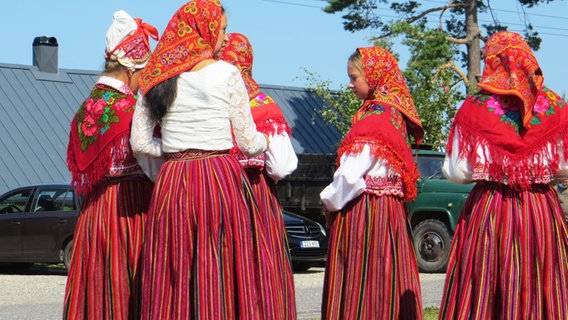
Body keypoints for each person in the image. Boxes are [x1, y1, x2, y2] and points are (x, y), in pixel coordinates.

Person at [130, 1, 269, 319]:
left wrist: (172, 153)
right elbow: (248, 143)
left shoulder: (156, 76)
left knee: (173, 266)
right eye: (221, 29)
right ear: (204, 31)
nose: (224, 37)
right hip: (218, 178)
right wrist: (266, 141)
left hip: (173, 180)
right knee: (218, 263)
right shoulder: (227, 73)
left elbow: (139, 142)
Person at [439, 31, 568, 319]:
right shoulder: (556, 106)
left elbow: (457, 171)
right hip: (539, 210)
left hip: (490, 210)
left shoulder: (474, 107)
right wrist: (535, 168)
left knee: (484, 284)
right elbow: (564, 166)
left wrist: (495, 167)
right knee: (541, 281)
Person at [64, 10, 158, 319]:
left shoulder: (85, 108)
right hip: (130, 212)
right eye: (144, 72)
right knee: (127, 284)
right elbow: (151, 166)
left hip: (94, 215)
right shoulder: (131, 109)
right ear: (131, 67)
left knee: (97, 289)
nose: (145, 79)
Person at [320, 46, 424, 319]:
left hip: (363, 214)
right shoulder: (394, 116)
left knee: (358, 283)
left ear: (374, 76)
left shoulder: (374, 119)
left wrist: (328, 200)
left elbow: (350, 177)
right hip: (390, 216)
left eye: (355, 77)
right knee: (385, 281)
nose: (350, 84)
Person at [220, 32, 298, 319]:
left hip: (216, 193)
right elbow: (282, 166)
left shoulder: (211, 102)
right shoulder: (264, 104)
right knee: (258, 267)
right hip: (256, 198)